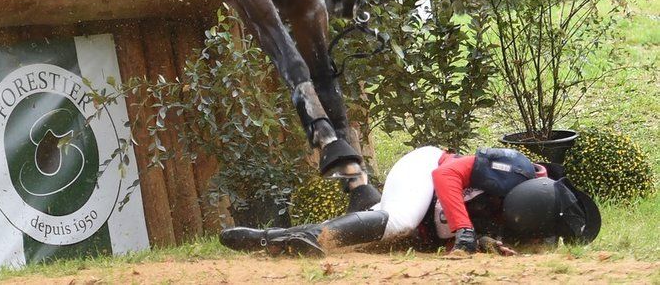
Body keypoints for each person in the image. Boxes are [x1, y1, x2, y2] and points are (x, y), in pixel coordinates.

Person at [220, 146, 601, 257]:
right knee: (399, 221)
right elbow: (445, 176)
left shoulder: (532, 223)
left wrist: (481, 239)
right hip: (424, 167)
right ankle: (282, 235)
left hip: (428, 216)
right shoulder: (515, 169)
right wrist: (466, 231)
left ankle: (361, 193)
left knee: (384, 237)